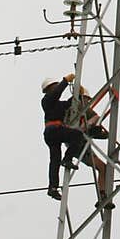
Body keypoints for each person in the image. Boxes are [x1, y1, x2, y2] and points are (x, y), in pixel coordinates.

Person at [41, 72, 85, 200]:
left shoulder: (57, 104)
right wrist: (65, 81)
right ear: (49, 89)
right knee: (77, 135)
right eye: (54, 86)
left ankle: (52, 187)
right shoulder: (46, 100)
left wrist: (79, 95)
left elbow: (69, 104)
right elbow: (56, 93)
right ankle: (67, 159)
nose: (56, 88)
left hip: (52, 133)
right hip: (54, 130)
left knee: (54, 160)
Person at [77, 87, 114, 212]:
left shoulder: (86, 111)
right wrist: (85, 127)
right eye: (86, 99)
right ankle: (102, 195)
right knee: (102, 167)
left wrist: (95, 130)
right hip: (77, 145)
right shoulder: (72, 109)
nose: (88, 102)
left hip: (82, 143)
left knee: (103, 167)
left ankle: (102, 195)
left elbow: (96, 119)